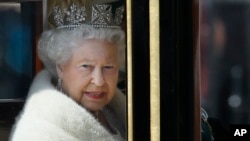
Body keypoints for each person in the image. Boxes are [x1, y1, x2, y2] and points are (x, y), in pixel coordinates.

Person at [10, 0, 126, 141]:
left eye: (108, 67)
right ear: (60, 67)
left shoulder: (115, 112)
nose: (99, 81)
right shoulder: (39, 132)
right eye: (86, 66)